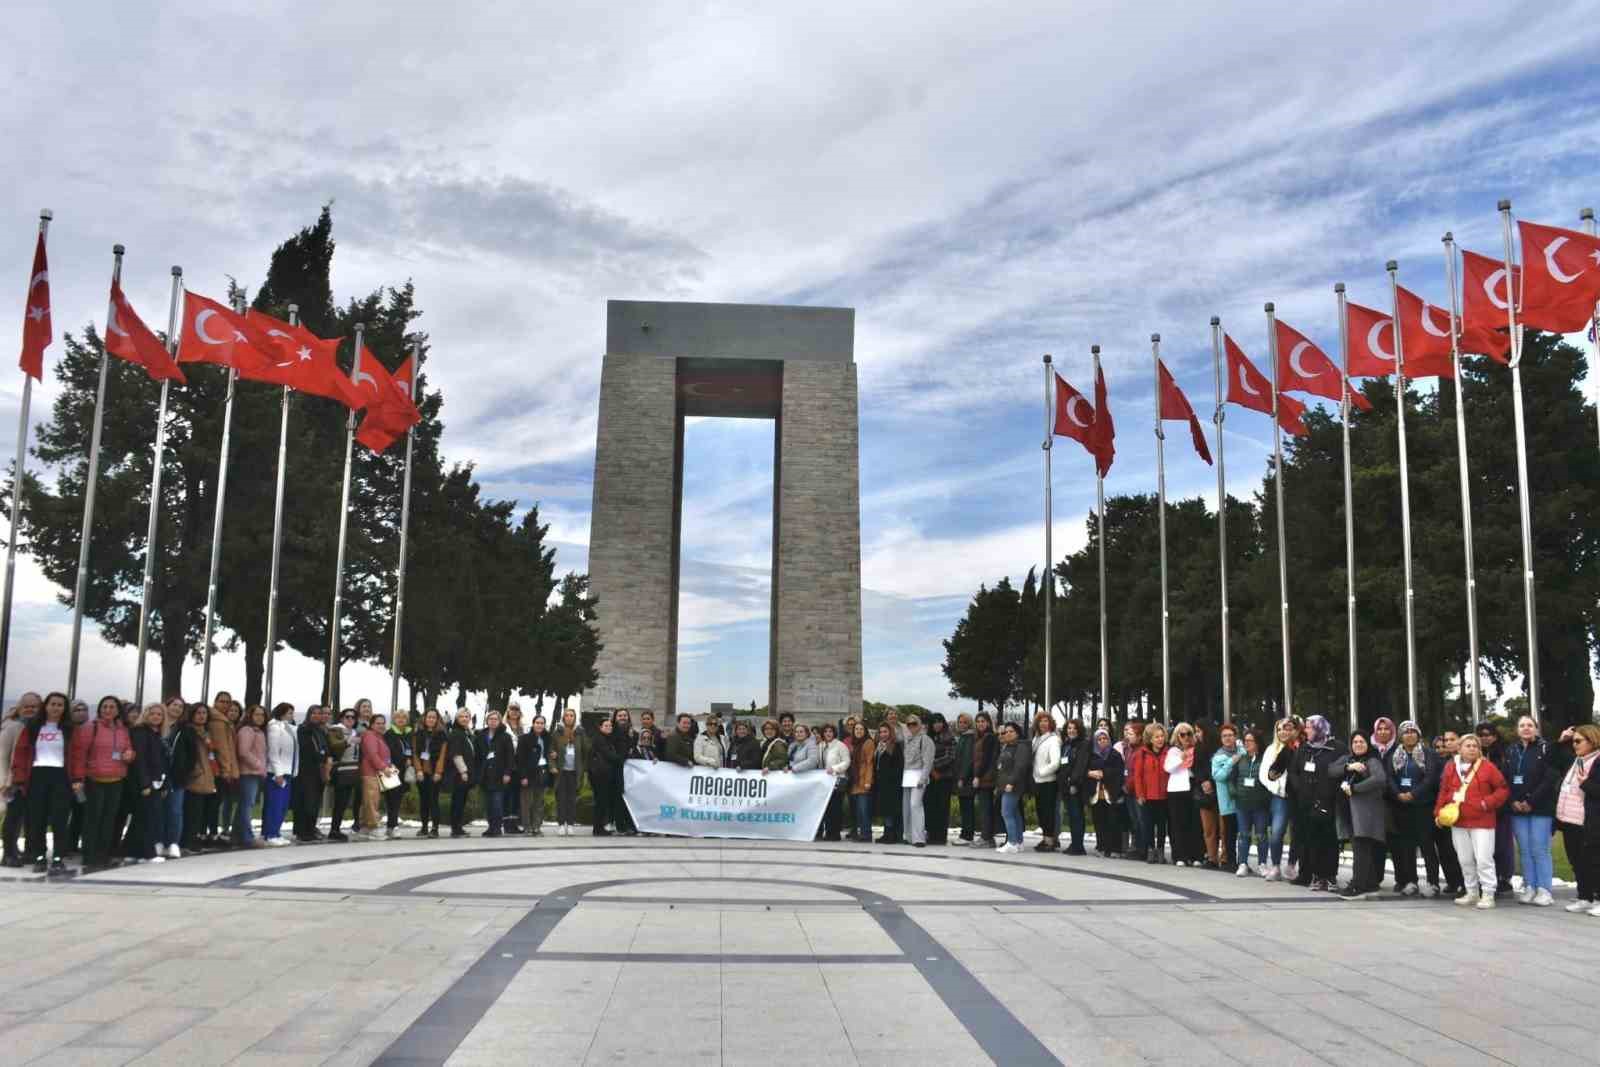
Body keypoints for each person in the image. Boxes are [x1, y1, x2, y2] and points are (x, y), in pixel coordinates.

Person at [1437, 732, 1510, 909]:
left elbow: (1503, 789)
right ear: (1459, 748)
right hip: (1459, 821)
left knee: (1484, 859)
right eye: (1467, 745)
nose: (1471, 749)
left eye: (1475, 746)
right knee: (1465, 859)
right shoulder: (1450, 767)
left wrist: (1487, 803)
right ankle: (1471, 892)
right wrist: (1438, 813)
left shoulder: (1487, 767)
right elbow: (1444, 791)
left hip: (1482, 821)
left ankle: (1488, 894)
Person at [12, 693, 82, 874]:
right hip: (37, 775)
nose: (56, 707)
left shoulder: (70, 729)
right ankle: (39, 857)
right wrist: (19, 777)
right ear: (46, 706)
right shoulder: (33, 727)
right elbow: (21, 752)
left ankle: (58, 858)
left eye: (60, 705)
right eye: (53, 704)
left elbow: (77, 755)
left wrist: (77, 778)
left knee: (59, 820)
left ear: (64, 708)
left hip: (61, 777)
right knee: (37, 820)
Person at [70, 695, 134, 872]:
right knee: (93, 819)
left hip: (116, 780)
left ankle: (103, 854)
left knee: (109, 819)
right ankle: (89, 855)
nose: (108, 710)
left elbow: (128, 748)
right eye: (104, 707)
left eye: (112, 707)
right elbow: (80, 754)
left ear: (117, 711)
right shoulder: (91, 727)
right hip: (94, 780)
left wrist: (129, 754)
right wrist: (78, 779)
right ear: (99, 709)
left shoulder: (122, 730)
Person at [1501, 714, 1556, 907]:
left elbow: (1550, 778)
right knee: (1524, 850)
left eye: (1530, 725)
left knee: (1540, 849)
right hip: (1517, 808)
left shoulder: (1546, 748)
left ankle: (1544, 889)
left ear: (1536, 729)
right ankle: (1530, 886)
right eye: (1522, 725)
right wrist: (1513, 801)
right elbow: (1505, 779)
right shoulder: (1511, 751)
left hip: (1540, 807)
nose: (1526, 728)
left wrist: (1530, 800)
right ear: (1517, 730)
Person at [1387, 720, 1444, 897]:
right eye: (1405, 732)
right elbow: (1389, 778)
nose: (1409, 735)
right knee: (1407, 846)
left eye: (1413, 731)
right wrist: (1398, 794)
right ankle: (1411, 881)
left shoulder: (1429, 754)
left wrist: (1414, 794)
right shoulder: (1393, 755)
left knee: (1427, 846)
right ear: (1400, 736)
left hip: (1424, 806)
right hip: (1402, 807)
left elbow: (1431, 778)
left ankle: (1433, 883)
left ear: (1418, 734)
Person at [1291, 715, 1344, 891]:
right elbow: (1294, 771)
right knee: (1311, 840)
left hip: (1328, 802)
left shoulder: (1336, 748)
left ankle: (1329, 876)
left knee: (1328, 841)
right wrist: (1301, 789)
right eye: (1306, 727)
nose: (1306, 730)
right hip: (1306, 802)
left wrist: (1327, 792)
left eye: (1310, 727)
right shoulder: (1304, 748)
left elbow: (1340, 771)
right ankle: (1314, 875)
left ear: (1321, 728)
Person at [1333, 732, 1388, 899]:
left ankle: (1358, 885)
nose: (1358, 744)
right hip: (1348, 811)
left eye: (1361, 741)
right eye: (1355, 741)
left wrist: (1356, 789)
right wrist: (1349, 767)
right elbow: (1330, 770)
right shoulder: (1348, 759)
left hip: (1365, 813)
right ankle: (1370, 884)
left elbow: (1379, 779)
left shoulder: (1372, 760)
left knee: (1361, 848)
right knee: (1360, 847)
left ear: (1368, 743)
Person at [1555, 724, 1600, 915]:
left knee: (1594, 861)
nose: (1574, 745)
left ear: (1592, 740)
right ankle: (1585, 897)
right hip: (1569, 819)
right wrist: (1562, 740)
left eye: (1578, 741)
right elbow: (1551, 760)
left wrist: (1585, 783)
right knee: (1577, 861)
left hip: (1589, 821)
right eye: (1573, 741)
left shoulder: (1597, 761)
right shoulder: (1577, 760)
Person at [1473, 721, 1514, 897]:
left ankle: (1503, 878)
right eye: (1481, 735)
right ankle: (1485, 880)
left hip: (1500, 807)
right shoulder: (1473, 754)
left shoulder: (1504, 754)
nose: (1485, 738)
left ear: (1495, 736)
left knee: (1502, 845)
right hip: (1479, 808)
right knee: (1483, 847)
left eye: (1488, 734)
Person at [1, 693, 41, 867]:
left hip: (35, 780)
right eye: (27, 706)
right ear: (20, 708)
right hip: (15, 781)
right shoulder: (12, 727)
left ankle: (19, 850)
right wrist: (5, 781)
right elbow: (2, 756)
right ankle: (8, 853)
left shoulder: (41, 727)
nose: (30, 709)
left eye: (34, 706)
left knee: (28, 818)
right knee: (13, 817)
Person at [127, 703, 168, 863]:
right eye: (153, 714)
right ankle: (147, 853)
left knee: (142, 819)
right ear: (146, 715)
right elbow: (140, 760)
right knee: (147, 818)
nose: (156, 717)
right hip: (145, 784)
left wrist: (164, 784)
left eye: (159, 714)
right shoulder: (140, 733)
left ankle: (132, 852)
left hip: (156, 782)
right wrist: (145, 784)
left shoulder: (155, 734)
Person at [1259, 718, 1296, 880]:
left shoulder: (1298, 748)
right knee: (1276, 832)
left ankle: (1292, 865)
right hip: (1280, 797)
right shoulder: (1271, 750)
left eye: (1287, 729)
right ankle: (1275, 866)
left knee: (1298, 832)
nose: (1283, 732)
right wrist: (1278, 789)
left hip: (1297, 797)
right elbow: (1264, 775)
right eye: (1280, 729)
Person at [1228, 728, 1268, 875]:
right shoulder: (1240, 759)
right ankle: (1243, 863)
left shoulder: (1265, 759)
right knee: (1243, 834)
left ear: (1257, 742)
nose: (1247, 743)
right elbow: (1231, 779)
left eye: (1250, 741)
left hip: (1260, 804)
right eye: (1245, 741)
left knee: (1261, 835)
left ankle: (1262, 864)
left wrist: (1265, 797)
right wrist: (1234, 793)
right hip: (1242, 804)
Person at [179, 704, 217, 854]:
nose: (202, 716)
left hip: (207, 773)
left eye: (204, 713)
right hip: (196, 775)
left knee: (199, 810)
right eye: (198, 713)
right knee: (191, 810)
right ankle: (187, 840)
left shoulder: (206, 733)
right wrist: (195, 771)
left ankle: (194, 838)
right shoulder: (188, 731)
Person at [1163, 723, 1203, 867]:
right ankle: (1180, 856)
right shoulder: (1173, 751)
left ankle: (1196, 855)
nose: (1186, 737)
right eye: (1182, 734)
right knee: (1178, 823)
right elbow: (1168, 767)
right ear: (1177, 736)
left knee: (1194, 822)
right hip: (1177, 789)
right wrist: (1182, 757)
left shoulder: (1196, 749)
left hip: (1193, 786)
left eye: (1189, 734)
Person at [1130, 722, 1170, 864]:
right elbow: (1137, 776)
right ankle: (1151, 851)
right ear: (1150, 739)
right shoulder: (1142, 753)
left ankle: (1160, 851)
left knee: (1161, 826)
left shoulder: (1168, 752)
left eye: (1161, 736)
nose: (1160, 739)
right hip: (1147, 796)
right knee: (1148, 825)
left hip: (1164, 796)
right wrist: (1140, 794)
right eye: (1156, 737)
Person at [233, 704, 268, 849]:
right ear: (250, 716)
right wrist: (259, 766)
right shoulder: (247, 730)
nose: (260, 717)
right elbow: (243, 752)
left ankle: (236, 836)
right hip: (248, 773)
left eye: (262, 715)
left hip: (254, 773)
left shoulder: (258, 731)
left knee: (245, 804)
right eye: (257, 714)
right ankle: (247, 838)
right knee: (247, 805)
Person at [294, 705, 330, 843]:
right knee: (305, 802)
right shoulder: (303, 729)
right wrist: (321, 756)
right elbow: (307, 749)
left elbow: (325, 749)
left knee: (314, 802)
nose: (316, 715)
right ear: (309, 714)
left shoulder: (320, 731)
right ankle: (302, 831)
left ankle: (311, 828)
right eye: (313, 713)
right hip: (306, 771)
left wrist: (324, 757)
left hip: (318, 771)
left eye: (319, 713)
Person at [1087, 726, 1125, 857]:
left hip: (1111, 793)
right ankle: (1102, 847)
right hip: (1096, 794)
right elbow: (1085, 770)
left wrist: (1104, 773)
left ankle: (1115, 849)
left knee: (1113, 821)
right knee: (1099, 821)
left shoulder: (1115, 755)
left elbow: (1119, 772)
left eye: (1105, 738)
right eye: (1099, 739)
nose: (1102, 741)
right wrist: (1091, 773)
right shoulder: (1091, 755)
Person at [547, 708, 585, 836]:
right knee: (561, 799)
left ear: (575, 718)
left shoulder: (580, 732)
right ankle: (561, 824)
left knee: (572, 799)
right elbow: (550, 751)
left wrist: (583, 768)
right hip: (561, 771)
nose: (569, 717)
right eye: (567, 715)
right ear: (563, 718)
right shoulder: (557, 732)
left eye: (571, 715)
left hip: (574, 771)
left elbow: (586, 751)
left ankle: (570, 824)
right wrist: (552, 765)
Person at [263, 703, 297, 846]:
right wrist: (278, 773)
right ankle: (270, 834)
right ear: (281, 713)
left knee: (282, 805)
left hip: (287, 771)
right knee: (275, 804)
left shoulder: (288, 727)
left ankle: (275, 832)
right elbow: (273, 752)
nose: (292, 716)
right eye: (289, 713)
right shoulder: (275, 728)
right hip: (277, 773)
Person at [1210, 723, 1243, 870]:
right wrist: (1231, 762)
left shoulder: (1241, 751)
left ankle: (1242, 861)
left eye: (1230, 735)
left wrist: (1239, 755)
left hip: (1242, 798)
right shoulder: (1218, 756)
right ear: (1221, 739)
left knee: (1242, 831)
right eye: (1224, 736)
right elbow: (1218, 776)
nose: (1228, 738)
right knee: (1229, 833)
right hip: (1227, 801)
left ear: (1235, 737)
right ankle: (1230, 861)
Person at [1026, 712, 1061, 853]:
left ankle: (1050, 841)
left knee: (1048, 813)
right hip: (1037, 782)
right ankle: (1046, 838)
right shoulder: (1036, 739)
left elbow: (1055, 763)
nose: (1043, 723)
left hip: (1048, 781)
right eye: (1040, 721)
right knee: (1041, 812)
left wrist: (1041, 772)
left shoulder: (1053, 739)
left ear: (1050, 723)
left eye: (1046, 721)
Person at [412, 709, 449, 838]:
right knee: (424, 801)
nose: (431, 719)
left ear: (437, 719)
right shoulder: (418, 734)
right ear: (424, 718)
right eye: (429, 717)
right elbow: (415, 754)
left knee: (434, 800)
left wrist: (438, 772)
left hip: (435, 773)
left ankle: (435, 828)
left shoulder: (442, 734)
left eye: (434, 717)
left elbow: (443, 755)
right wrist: (418, 770)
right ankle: (424, 827)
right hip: (422, 773)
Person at [478, 710, 515, 838]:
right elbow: (478, 756)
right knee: (488, 803)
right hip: (485, 775)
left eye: (495, 719)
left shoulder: (505, 737)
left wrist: (507, 773)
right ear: (487, 721)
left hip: (499, 775)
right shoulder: (481, 735)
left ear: (499, 721)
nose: (493, 721)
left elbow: (510, 757)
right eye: (491, 719)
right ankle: (490, 826)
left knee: (497, 802)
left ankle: (497, 827)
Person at [327, 709, 361, 842]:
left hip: (353, 770)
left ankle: (337, 828)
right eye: (347, 717)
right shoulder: (336, 730)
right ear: (341, 718)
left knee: (346, 801)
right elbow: (334, 746)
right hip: (341, 770)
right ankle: (334, 830)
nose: (350, 719)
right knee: (340, 802)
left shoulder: (355, 732)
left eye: (353, 717)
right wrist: (348, 741)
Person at [444, 708, 478, 838]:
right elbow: (456, 754)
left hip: (466, 773)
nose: (464, 719)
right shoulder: (456, 734)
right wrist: (463, 771)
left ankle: (458, 827)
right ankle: (456, 828)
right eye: (462, 717)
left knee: (461, 801)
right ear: (457, 719)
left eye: (467, 716)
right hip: (459, 774)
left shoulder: (465, 732)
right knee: (457, 802)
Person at [995, 721, 1028, 854]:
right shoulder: (1007, 746)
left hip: (1013, 786)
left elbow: (1020, 767)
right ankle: (1019, 842)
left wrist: (1011, 782)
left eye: (1011, 731)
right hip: (1005, 785)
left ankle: (1012, 842)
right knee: (1015, 813)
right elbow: (1001, 768)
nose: (1007, 734)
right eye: (1005, 732)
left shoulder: (1021, 747)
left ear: (1017, 733)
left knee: (1006, 812)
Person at [1059, 719, 1091, 855]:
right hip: (1065, 787)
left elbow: (1080, 766)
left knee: (1077, 816)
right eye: (1069, 728)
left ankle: (1078, 846)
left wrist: (1074, 783)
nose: (1071, 730)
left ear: (1079, 730)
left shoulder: (1083, 744)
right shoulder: (1066, 745)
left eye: (1074, 728)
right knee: (1071, 816)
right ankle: (1074, 843)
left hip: (1076, 787)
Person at [381, 710, 415, 838]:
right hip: (391, 770)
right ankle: (393, 826)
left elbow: (411, 749)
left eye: (404, 717)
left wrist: (410, 758)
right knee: (392, 800)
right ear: (394, 719)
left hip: (404, 771)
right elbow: (389, 752)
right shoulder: (389, 734)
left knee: (397, 799)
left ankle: (391, 826)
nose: (401, 719)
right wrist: (403, 759)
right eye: (398, 717)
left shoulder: (409, 734)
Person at [901, 715, 933, 847]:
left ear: (919, 724)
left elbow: (928, 761)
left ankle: (919, 838)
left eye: (914, 723)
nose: (911, 726)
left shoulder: (925, 740)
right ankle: (908, 836)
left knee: (916, 805)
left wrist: (923, 778)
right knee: (907, 807)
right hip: (907, 776)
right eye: (908, 724)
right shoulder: (908, 740)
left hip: (919, 776)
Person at [515, 715, 549, 836]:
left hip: (542, 772)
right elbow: (520, 759)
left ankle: (536, 827)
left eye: (542, 723)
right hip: (528, 774)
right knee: (526, 803)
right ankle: (527, 827)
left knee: (539, 802)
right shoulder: (524, 739)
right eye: (537, 723)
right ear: (533, 724)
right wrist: (523, 776)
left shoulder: (547, 738)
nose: (539, 725)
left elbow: (549, 754)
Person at [924, 713, 955, 847]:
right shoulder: (927, 738)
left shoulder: (950, 737)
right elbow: (923, 755)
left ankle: (941, 837)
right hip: (930, 778)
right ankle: (931, 834)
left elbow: (950, 756)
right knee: (930, 807)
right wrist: (931, 769)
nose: (937, 724)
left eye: (939, 721)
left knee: (942, 807)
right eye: (934, 722)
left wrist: (934, 766)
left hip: (944, 777)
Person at [968, 712, 998, 847]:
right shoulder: (979, 738)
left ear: (988, 723)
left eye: (983, 721)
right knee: (985, 808)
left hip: (986, 778)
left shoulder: (989, 737)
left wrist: (977, 776)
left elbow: (986, 759)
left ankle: (986, 838)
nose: (980, 724)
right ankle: (988, 837)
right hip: (983, 777)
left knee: (985, 809)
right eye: (978, 721)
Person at [589, 717, 624, 836]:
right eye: (606, 726)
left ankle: (599, 827)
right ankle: (598, 829)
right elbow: (609, 755)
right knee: (600, 802)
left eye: (610, 726)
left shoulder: (607, 738)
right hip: (600, 776)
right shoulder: (599, 739)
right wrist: (621, 758)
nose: (609, 728)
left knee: (603, 802)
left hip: (605, 775)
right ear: (600, 727)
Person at [1116, 721, 1144, 860]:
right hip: (1127, 790)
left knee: (1140, 820)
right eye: (1128, 733)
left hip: (1136, 790)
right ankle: (1136, 847)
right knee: (1134, 820)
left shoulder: (1141, 750)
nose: (1129, 736)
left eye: (1132, 734)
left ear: (1139, 736)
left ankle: (1142, 848)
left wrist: (1129, 786)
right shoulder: (1128, 749)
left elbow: (1137, 773)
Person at [819, 722, 850, 841]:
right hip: (824, 782)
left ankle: (835, 833)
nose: (828, 733)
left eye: (830, 731)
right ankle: (828, 832)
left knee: (836, 808)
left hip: (837, 780)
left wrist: (835, 769)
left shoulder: (840, 745)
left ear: (834, 733)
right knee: (827, 808)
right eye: (826, 731)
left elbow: (846, 762)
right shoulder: (821, 745)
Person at [873, 723, 903, 844]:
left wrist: (892, 779)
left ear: (890, 732)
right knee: (885, 810)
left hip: (892, 784)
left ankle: (891, 835)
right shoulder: (879, 746)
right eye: (880, 732)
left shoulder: (895, 746)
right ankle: (887, 833)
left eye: (885, 731)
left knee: (891, 810)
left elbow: (899, 766)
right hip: (881, 783)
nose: (883, 734)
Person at [847, 721, 877, 842]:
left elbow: (870, 763)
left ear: (865, 731)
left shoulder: (868, 742)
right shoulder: (854, 744)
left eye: (861, 729)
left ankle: (866, 834)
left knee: (864, 809)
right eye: (856, 729)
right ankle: (862, 833)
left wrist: (868, 781)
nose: (858, 731)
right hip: (855, 781)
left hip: (864, 780)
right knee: (859, 810)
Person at [951, 713, 976, 844]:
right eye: (960, 722)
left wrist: (962, 777)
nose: (961, 724)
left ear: (969, 724)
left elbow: (967, 760)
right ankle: (965, 833)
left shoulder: (969, 738)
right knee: (965, 806)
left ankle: (967, 835)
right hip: (962, 778)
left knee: (967, 807)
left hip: (965, 779)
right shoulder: (963, 737)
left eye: (965, 722)